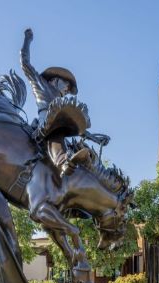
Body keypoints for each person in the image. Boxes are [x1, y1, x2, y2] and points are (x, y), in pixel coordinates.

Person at [20, 28, 109, 176]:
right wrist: (27, 39)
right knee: (56, 130)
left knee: (63, 130)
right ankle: (62, 161)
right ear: (55, 80)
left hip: (59, 122)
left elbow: (72, 123)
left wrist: (94, 138)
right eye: (66, 83)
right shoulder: (40, 83)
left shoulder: (61, 102)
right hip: (46, 122)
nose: (68, 88)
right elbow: (25, 63)